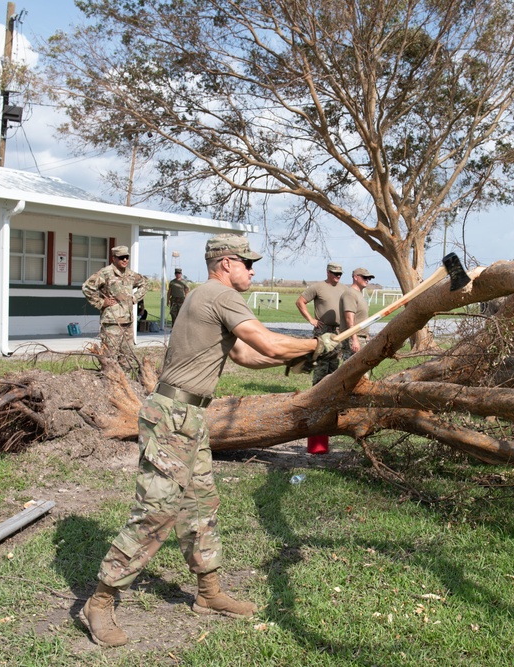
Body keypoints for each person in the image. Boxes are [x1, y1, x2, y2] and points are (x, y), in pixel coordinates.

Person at [79, 233, 338, 647]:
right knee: (157, 511)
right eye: (247, 263)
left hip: (190, 417)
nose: (252, 270)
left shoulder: (208, 297)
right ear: (226, 263)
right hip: (173, 416)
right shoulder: (219, 295)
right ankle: (101, 600)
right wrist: (315, 343)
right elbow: (267, 342)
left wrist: (302, 354)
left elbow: (248, 356)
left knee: (199, 504)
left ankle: (209, 594)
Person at [82, 245, 149, 377]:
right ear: (114, 258)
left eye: (127, 257)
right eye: (121, 257)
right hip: (111, 322)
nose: (125, 260)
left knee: (127, 356)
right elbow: (87, 287)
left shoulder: (130, 274)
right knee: (109, 356)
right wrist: (101, 303)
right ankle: (110, 382)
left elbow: (145, 283)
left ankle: (126, 382)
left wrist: (135, 298)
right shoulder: (106, 273)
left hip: (128, 322)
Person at [295, 262, 347, 384]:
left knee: (334, 363)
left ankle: (331, 390)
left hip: (338, 331)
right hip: (323, 329)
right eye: (335, 273)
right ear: (328, 272)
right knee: (321, 361)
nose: (338, 276)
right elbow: (300, 302)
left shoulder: (344, 289)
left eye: (340, 274)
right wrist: (311, 320)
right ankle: (317, 390)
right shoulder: (317, 287)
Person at [340, 267, 374, 357]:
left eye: (369, 278)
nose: (367, 280)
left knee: (361, 369)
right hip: (353, 338)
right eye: (364, 277)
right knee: (352, 370)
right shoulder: (350, 294)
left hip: (361, 337)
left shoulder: (359, 294)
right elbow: (349, 319)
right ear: (355, 277)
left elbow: (360, 317)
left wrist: (366, 335)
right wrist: (354, 340)